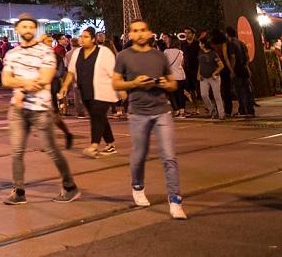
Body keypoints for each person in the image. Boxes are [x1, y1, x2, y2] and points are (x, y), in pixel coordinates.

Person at [1, 13, 79, 205]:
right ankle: (18, 191)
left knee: (52, 150)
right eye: (23, 27)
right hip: (18, 110)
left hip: (40, 109)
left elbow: (44, 80)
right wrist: (25, 85)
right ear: (16, 30)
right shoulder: (12, 54)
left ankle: (69, 186)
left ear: (35, 29)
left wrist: (19, 90)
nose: (27, 30)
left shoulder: (46, 52)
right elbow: (5, 80)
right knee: (17, 151)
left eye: (30, 27)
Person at [113, 18, 185, 219]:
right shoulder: (123, 56)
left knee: (169, 156)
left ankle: (175, 199)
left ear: (149, 33)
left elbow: (173, 84)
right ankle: (137, 186)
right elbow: (116, 84)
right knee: (139, 154)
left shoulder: (159, 56)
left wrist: (164, 84)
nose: (139, 33)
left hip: (162, 110)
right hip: (138, 112)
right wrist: (134, 83)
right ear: (130, 34)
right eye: (135, 30)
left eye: (143, 30)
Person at [60, 27, 118, 157]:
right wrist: (64, 86)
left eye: (86, 36)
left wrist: (120, 89)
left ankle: (94, 146)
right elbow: (71, 71)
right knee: (99, 117)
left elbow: (113, 72)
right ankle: (110, 144)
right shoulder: (77, 53)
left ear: (93, 39)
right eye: (81, 36)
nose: (82, 39)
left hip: (103, 91)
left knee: (97, 115)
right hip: (85, 92)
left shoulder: (104, 52)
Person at [223, 26, 255, 118]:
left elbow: (233, 57)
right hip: (244, 69)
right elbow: (247, 56)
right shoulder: (241, 43)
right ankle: (250, 110)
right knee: (247, 90)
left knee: (240, 91)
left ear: (227, 34)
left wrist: (231, 70)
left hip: (237, 69)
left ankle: (243, 110)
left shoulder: (231, 44)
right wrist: (246, 66)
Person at [197, 33, 226, 119]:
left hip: (213, 78)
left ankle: (221, 114)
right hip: (203, 77)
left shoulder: (213, 53)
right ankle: (212, 110)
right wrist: (198, 74)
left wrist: (215, 72)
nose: (199, 45)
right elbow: (200, 64)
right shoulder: (200, 52)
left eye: (200, 43)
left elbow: (221, 65)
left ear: (203, 44)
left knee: (217, 95)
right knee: (203, 95)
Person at [163, 36, 187, 118]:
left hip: (171, 75)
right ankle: (182, 110)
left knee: (172, 94)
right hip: (180, 75)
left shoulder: (166, 51)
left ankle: (176, 110)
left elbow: (164, 64)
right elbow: (182, 64)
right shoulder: (180, 52)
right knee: (181, 94)